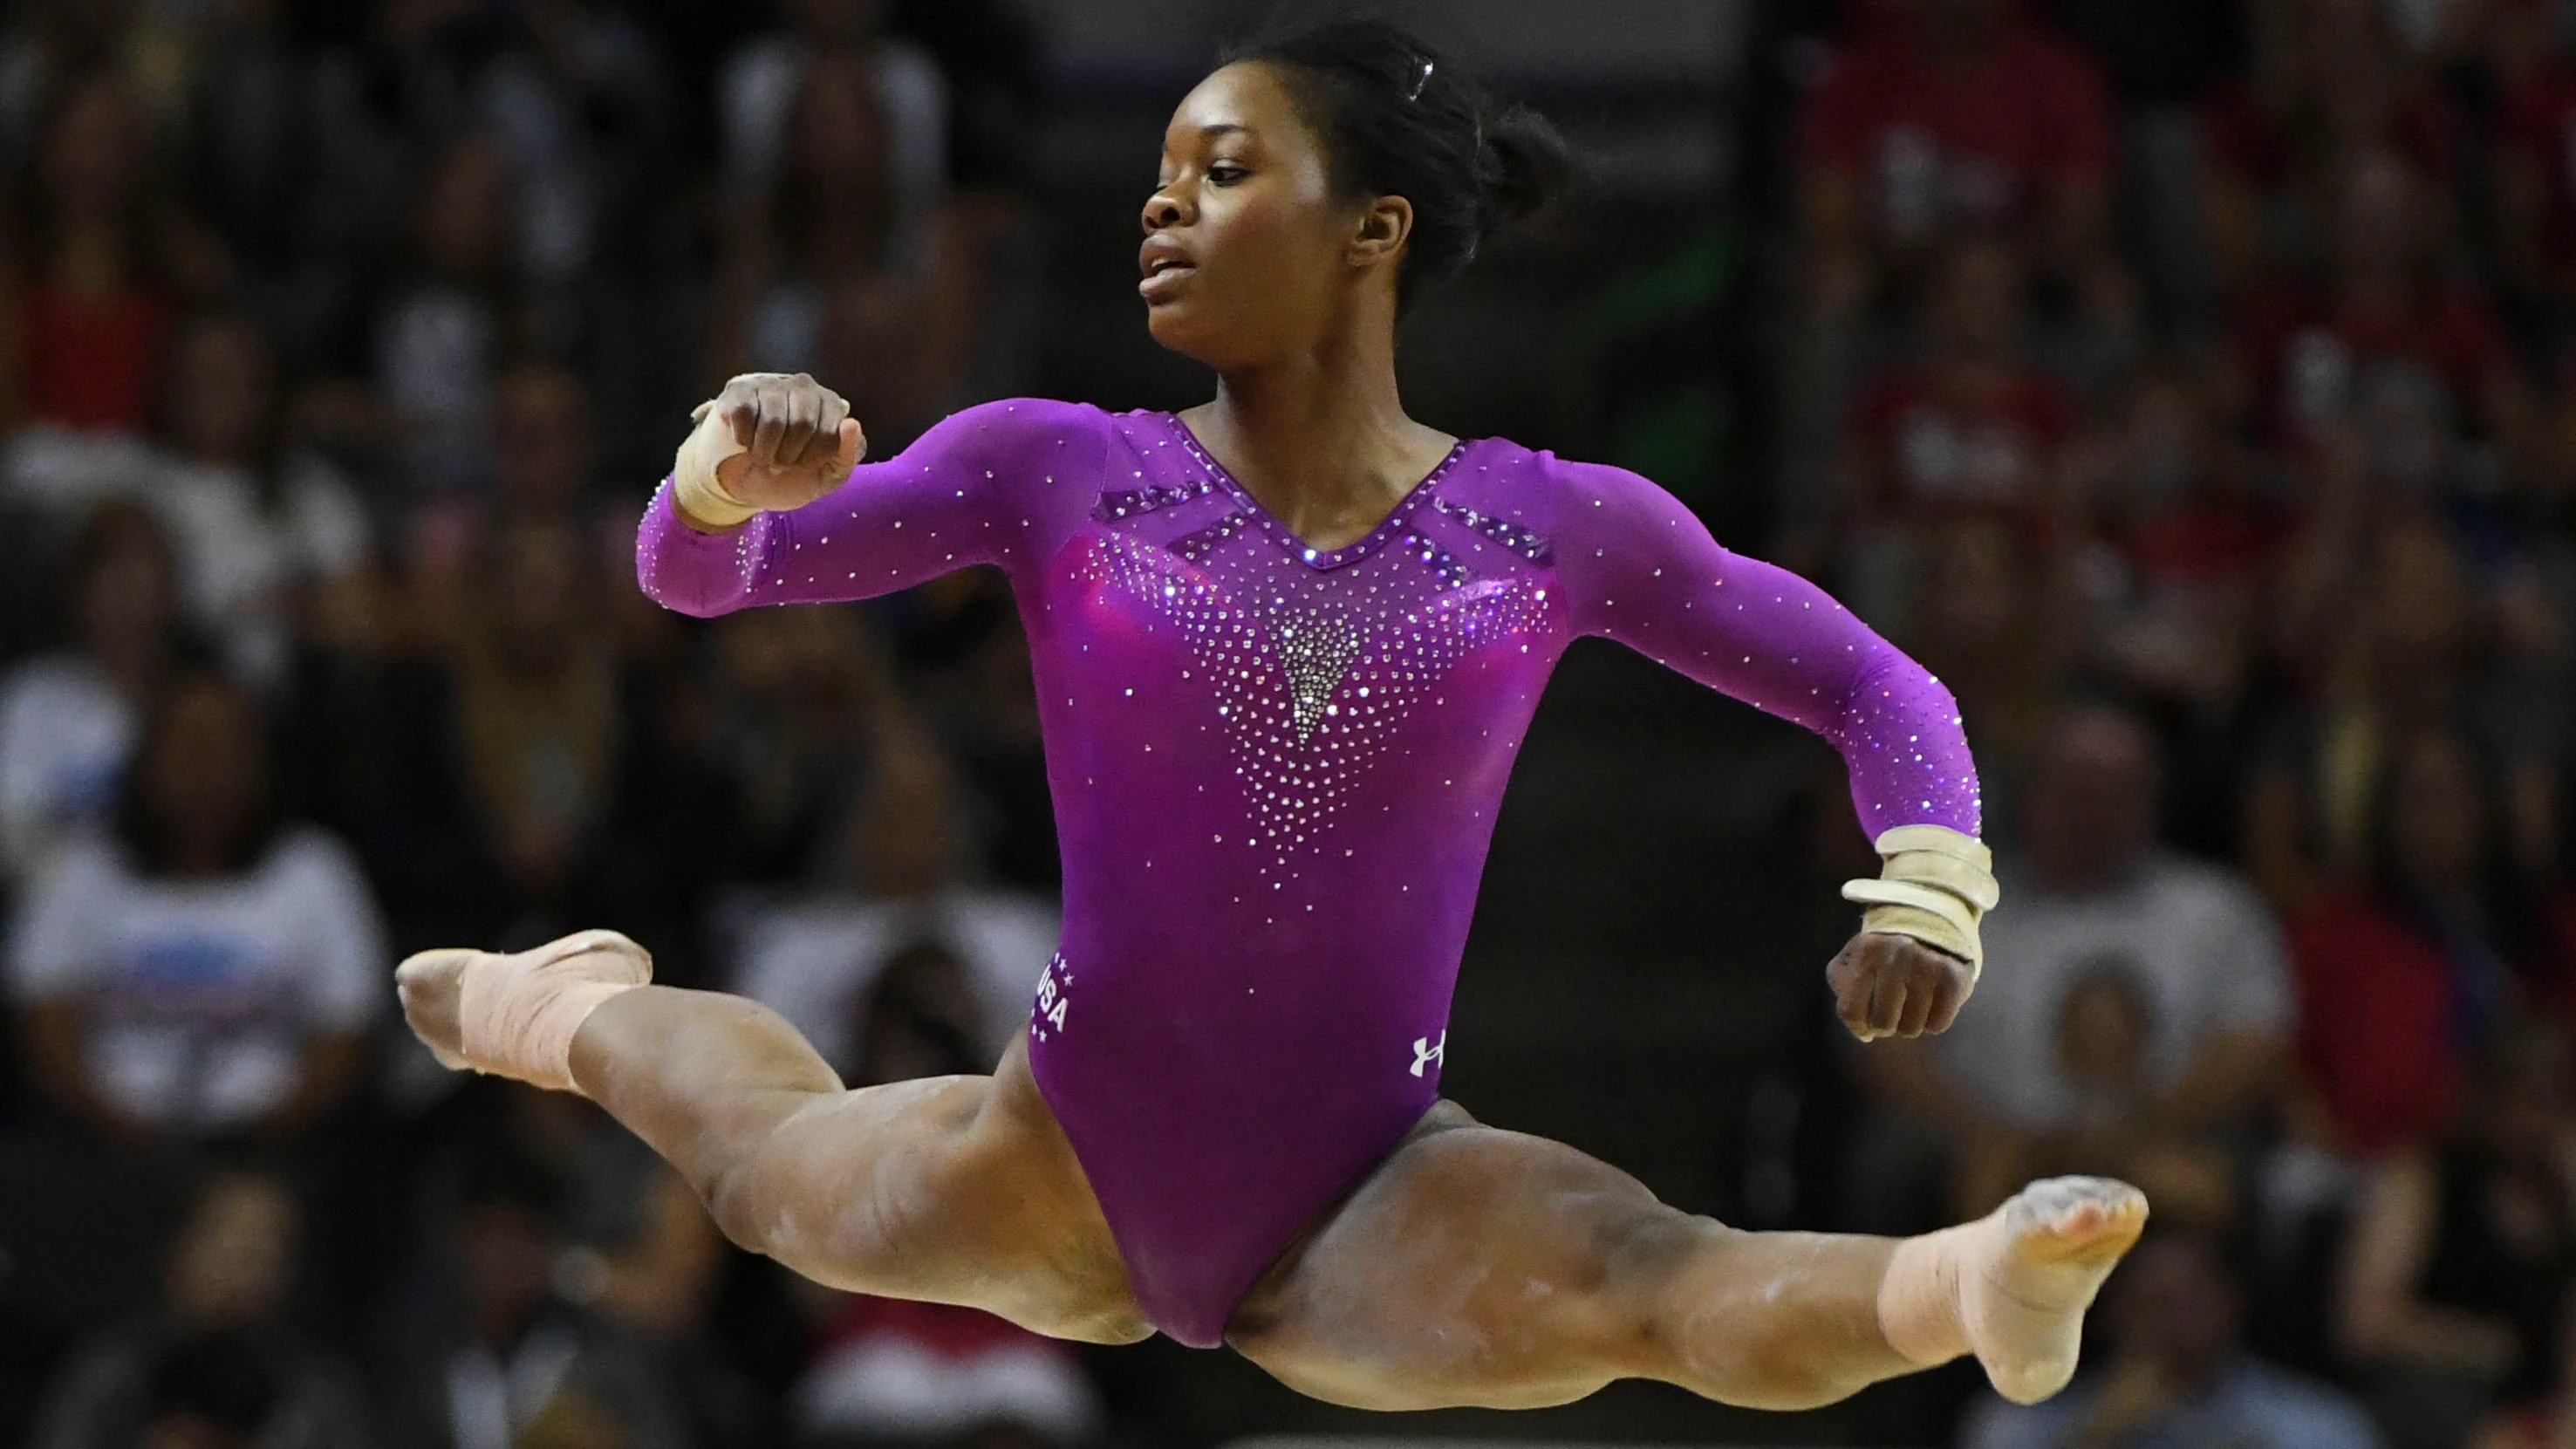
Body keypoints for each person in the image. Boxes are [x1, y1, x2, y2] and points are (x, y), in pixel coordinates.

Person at [399, 20, 2145, 1414]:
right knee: (762, 1162)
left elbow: (1877, 682)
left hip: (1371, 1182)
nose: (1159, 209)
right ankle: (560, 1005)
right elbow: (704, 581)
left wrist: (1932, 875)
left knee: (1647, 1281)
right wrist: (716, 475)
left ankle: (1966, 1283)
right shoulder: (1057, 465)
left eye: (1221, 172)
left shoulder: (1550, 523)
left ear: (1369, 230)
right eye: (1159, 175)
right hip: (1064, 1148)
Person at [1962, 1224, 2381, 1449]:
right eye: (2148, 1301)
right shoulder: (2020, 1428)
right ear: (2107, 1313)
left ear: (2233, 1302)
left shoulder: (2316, 1427)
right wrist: (2099, 1434)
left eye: (2190, 1297)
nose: (2170, 1320)